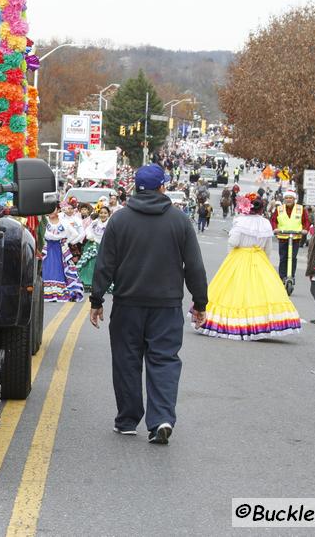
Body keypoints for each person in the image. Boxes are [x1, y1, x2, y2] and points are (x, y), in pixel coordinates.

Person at [89, 164, 208, 444]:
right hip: (166, 305)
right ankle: (161, 419)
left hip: (127, 303)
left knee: (126, 360)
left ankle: (128, 419)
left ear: (135, 189)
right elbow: (194, 267)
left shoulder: (119, 221)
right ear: (162, 188)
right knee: (164, 360)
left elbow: (105, 264)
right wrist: (200, 303)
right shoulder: (180, 221)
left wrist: (96, 299)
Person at [198, 193, 300, 338]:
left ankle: (233, 322)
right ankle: (258, 323)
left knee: (234, 290)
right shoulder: (265, 224)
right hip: (259, 258)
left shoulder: (241, 222)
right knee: (258, 291)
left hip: (239, 257)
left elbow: (233, 242)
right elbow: (268, 248)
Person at [41, 207, 84, 303]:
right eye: (49, 210)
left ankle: (59, 292)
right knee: (47, 269)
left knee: (59, 269)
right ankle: (47, 292)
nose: (51, 212)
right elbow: (40, 233)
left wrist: (66, 242)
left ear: (57, 210)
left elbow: (75, 233)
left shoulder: (64, 222)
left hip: (59, 250)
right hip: (48, 249)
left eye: (53, 209)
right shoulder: (45, 221)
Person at [270, 189, 310, 283]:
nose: (288, 200)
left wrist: (305, 229)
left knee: (293, 258)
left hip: (295, 237)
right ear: (284, 199)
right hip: (283, 237)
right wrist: (275, 228)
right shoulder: (279, 209)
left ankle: (291, 276)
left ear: (294, 199)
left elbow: (306, 221)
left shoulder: (300, 209)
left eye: (290, 198)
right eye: (287, 198)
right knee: (283, 258)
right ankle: (282, 277)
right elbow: (273, 220)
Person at [77, 205, 110, 289]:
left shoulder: (111, 223)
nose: (103, 215)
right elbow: (88, 230)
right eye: (101, 213)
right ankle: (88, 281)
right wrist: (89, 235)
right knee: (90, 264)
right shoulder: (95, 222)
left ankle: (101, 282)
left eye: (105, 213)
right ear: (98, 214)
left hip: (104, 246)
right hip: (92, 244)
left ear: (108, 214)